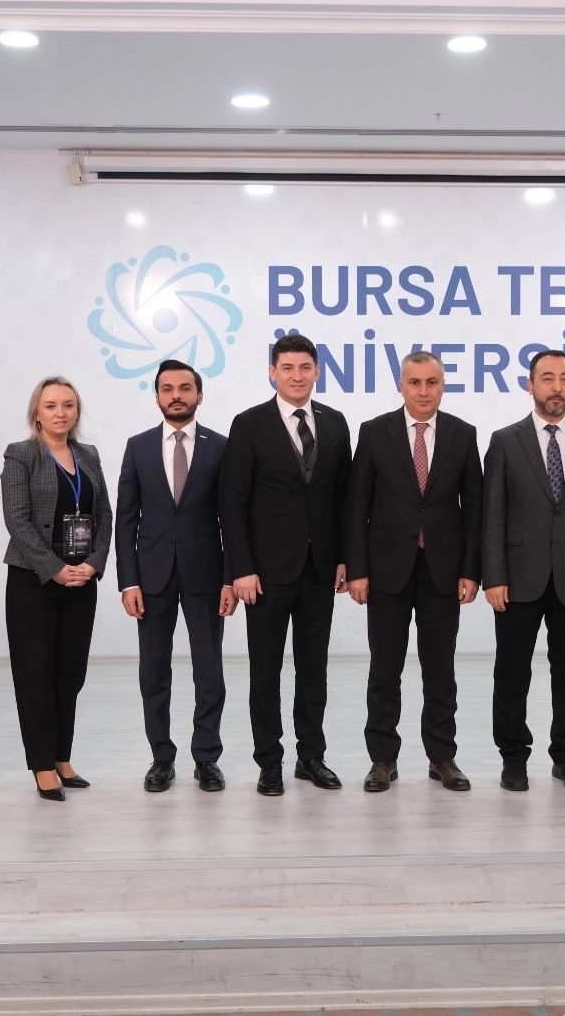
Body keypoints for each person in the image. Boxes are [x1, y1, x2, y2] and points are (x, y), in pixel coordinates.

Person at [345, 351, 483, 792]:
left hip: (443, 571)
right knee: (384, 670)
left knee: (440, 671)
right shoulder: (374, 432)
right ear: (401, 386)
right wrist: (357, 570)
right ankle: (382, 758)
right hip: (386, 570)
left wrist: (471, 571)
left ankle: (442, 757)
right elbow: (357, 506)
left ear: (443, 386)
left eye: (432, 382)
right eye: (415, 382)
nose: (424, 391)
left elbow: (474, 510)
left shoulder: (463, 434)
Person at [221, 333, 353, 796]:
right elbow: (233, 503)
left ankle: (310, 756)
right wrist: (241, 568)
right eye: (288, 368)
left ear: (317, 372)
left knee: (314, 669)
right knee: (266, 671)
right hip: (265, 573)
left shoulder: (335, 422)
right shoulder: (249, 424)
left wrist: (345, 558)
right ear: (272, 373)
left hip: (320, 569)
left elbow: (344, 498)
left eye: (305, 367)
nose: (297, 376)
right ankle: (269, 762)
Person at [482, 349, 565, 792]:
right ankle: (513, 758)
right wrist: (494, 576)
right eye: (547, 378)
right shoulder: (505, 441)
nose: (557, 387)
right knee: (512, 674)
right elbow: (493, 514)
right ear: (530, 385)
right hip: (518, 579)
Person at [116, 360, 237, 793]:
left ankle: (206, 757)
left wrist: (230, 578)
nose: (176, 395)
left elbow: (231, 519)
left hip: (207, 576)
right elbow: (125, 520)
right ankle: (161, 758)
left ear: (199, 395)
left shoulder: (221, 447)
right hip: (151, 578)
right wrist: (128, 581)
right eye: (167, 389)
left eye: (185, 388)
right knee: (154, 671)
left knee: (209, 672)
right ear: (157, 397)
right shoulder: (138, 447)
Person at [0, 377, 112, 801]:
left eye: (68, 405)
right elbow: (17, 519)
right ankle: (42, 765)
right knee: (36, 675)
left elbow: (104, 516)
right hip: (33, 581)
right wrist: (54, 569)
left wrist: (93, 564)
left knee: (70, 674)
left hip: (81, 580)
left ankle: (62, 757)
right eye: (50, 405)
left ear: (77, 411)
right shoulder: (21, 453)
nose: (60, 413)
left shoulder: (89, 454)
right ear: (37, 412)